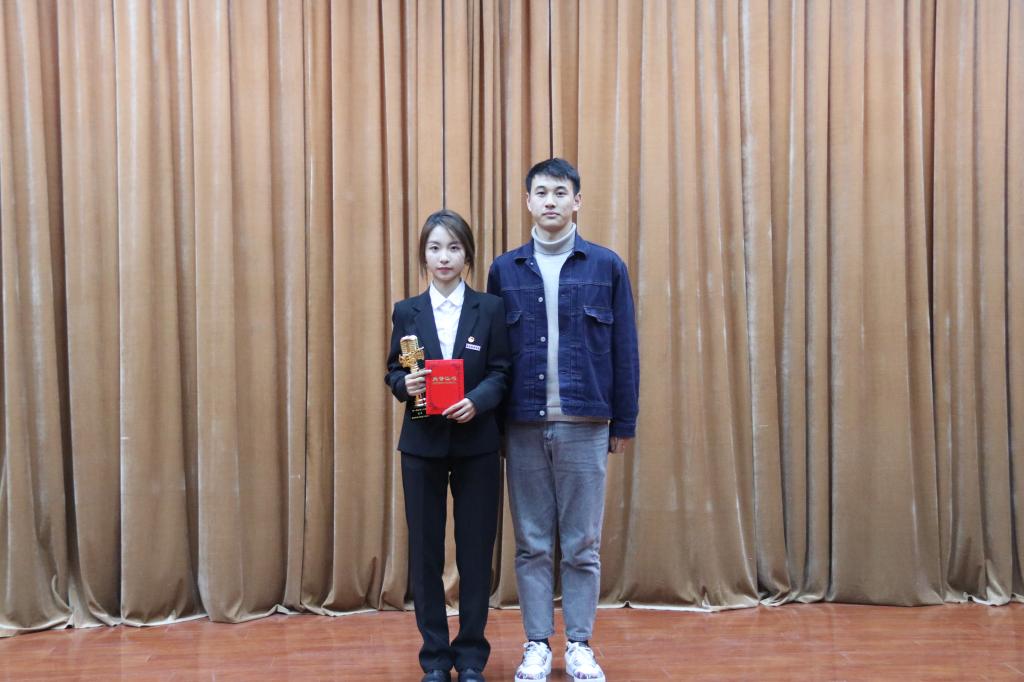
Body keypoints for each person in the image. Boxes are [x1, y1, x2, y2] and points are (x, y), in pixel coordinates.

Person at [487, 158, 640, 682]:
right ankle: (536, 643)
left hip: (586, 421)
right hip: (522, 423)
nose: (550, 201)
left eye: (560, 192)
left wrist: (624, 421)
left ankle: (579, 644)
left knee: (581, 544)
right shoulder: (505, 270)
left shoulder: (606, 266)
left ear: (577, 201)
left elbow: (625, 348)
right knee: (531, 543)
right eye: (541, 193)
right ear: (527, 202)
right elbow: (495, 356)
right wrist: (494, 426)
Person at [385, 209, 511, 682]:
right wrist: (404, 384)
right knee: (426, 554)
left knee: (476, 552)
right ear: (424, 255)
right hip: (422, 446)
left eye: (454, 248)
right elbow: (393, 370)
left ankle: (472, 656)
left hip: (477, 446)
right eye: (435, 248)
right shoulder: (407, 311)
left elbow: (502, 371)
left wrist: (477, 401)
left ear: (467, 255)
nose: (444, 257)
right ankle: (435, 658)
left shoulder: (490, 309)